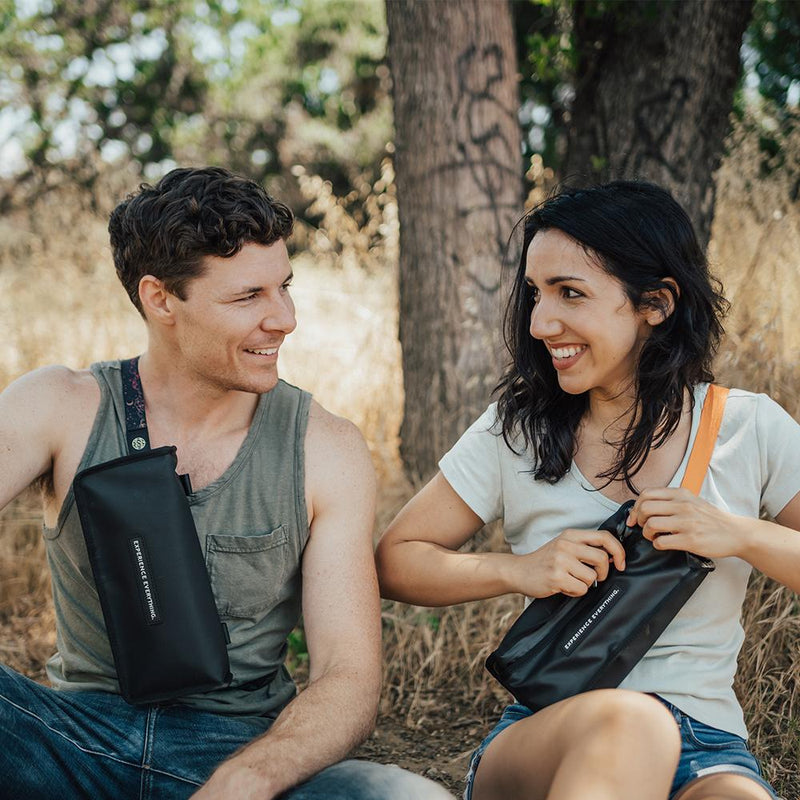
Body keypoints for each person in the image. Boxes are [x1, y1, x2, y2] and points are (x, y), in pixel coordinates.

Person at [0, 166, 454, 800]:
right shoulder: (59, 405)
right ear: (161, 299)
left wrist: (249, 778)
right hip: (72, 740)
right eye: (249, 298)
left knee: (411, 798)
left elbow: (347, 676)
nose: (285, 319)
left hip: (240, 751)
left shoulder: (327, 448)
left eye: (285, 288)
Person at [375, 181, 800, 800]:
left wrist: (739, 533)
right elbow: (394, 560)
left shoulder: (751, 428)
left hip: (708, 744)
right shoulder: (514, 431)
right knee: (631, 724)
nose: (542, 323)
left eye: (570, 293)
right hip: (550, 734)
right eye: (534, 294)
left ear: (654, 304)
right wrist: (518, 570)